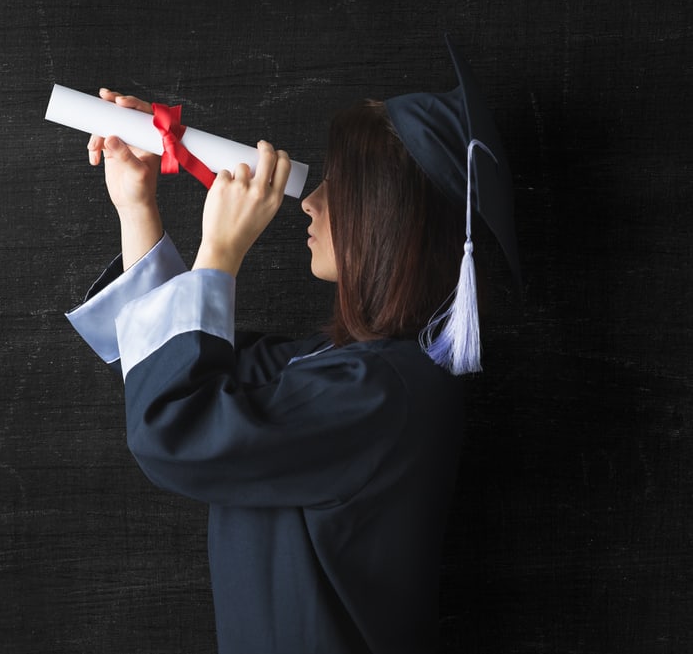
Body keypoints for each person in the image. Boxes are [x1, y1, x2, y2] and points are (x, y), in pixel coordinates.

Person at [63, 38, 518, 654]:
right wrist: (137, 200)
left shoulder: (383, 395)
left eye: (339, 187)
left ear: (385, 219)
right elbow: (173, 360)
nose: (311, 201)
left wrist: (220, 254)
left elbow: (173, 424)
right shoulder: (338, 368)